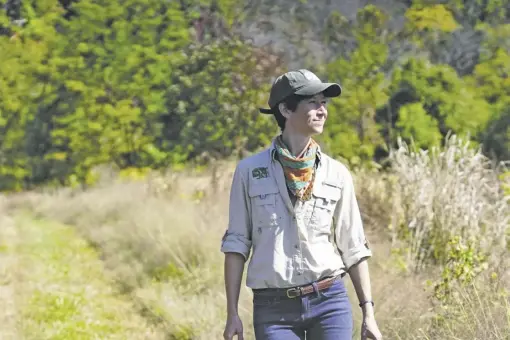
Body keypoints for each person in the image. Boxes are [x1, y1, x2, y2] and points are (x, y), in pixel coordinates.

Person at [220, 69, 382, 340]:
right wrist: (232, 313)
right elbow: (236, 244)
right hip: (273, 309)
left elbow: (353, 245)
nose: (323, 110)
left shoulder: (337, 173)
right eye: (313, 102)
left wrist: (369, 314)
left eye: (324, 103)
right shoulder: (249, 172)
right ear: (285, 108)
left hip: (329, 302)